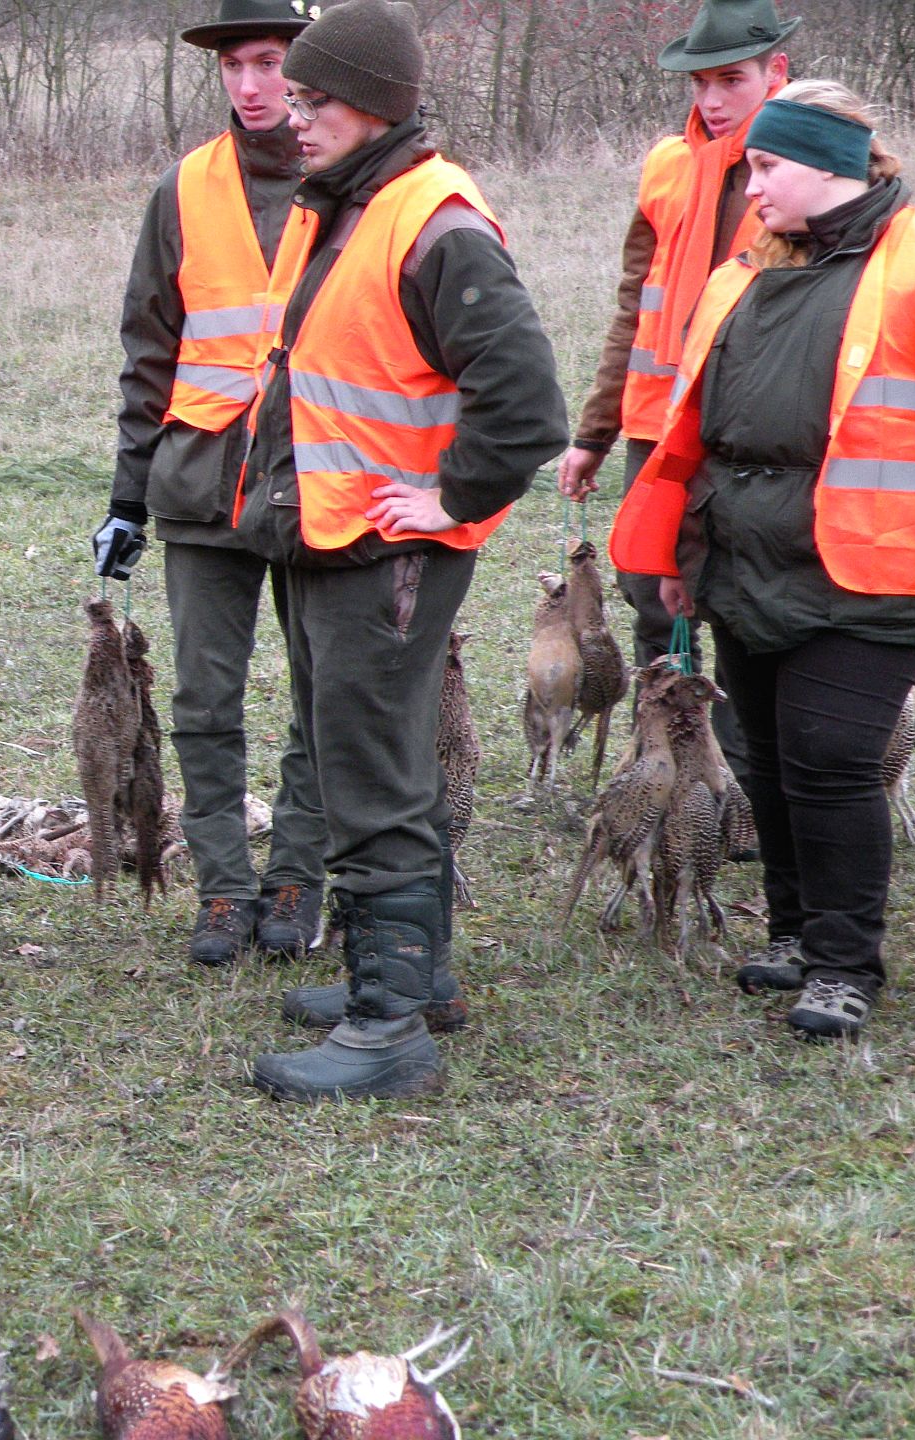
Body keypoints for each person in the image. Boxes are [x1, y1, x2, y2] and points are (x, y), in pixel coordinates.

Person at [234, 0, 568, 1100]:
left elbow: (525, 403)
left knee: (373, 778)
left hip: (385, 553)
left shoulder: (434, 219)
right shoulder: (346, 206)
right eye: (292, 99)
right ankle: (417, 981)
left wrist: (449, 499)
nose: (293, 118)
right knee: (378, 766)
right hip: (332, 540)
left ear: (374, 104)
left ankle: (386, 1028)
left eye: (313, 100)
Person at [610, 82, 915, 1042]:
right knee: (775, 758)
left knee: (831, 758)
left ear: (829, 164)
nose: (749, 187)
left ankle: (842, 964)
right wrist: (682, 551)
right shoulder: (743, 273)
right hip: (743, 556)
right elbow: (692, 431)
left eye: (766, 166)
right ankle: (793, 934)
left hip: (875, 565)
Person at [92, 0, 328, 971]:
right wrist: (126, 498)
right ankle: (225, 888)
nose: (250, 84)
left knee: (325, 695)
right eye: (234, 65)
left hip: (320, 484)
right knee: (202, 701)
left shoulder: (352, 178)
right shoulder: (183, 188)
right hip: (203, 485)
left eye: (268, 61)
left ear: (304, 64)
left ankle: (298, 879)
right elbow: (149, 351)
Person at [557, 0, 804, 778]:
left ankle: (738, 778)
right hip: (656, 424)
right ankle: (662, 758)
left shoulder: (805, 169)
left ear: (776, 72)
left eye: (731, 80)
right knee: (647, 590)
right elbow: (637, 304)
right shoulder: (667, 166)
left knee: (740, 601)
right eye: (701, 83)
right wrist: (594, 432)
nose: (712, 99)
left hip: (753, 431)